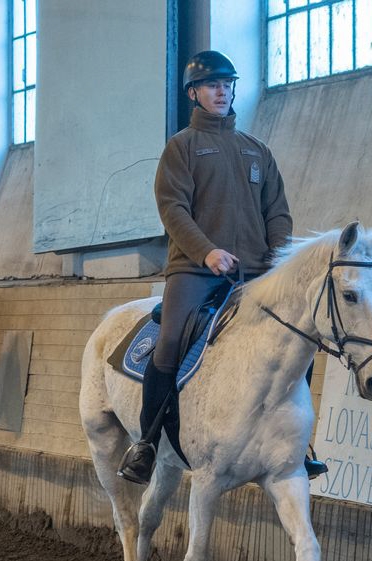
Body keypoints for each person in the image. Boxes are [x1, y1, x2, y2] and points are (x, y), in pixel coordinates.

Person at [117, 50, 328, 484]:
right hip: (195, 271)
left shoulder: (257, 151)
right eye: (213, 85)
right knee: (170, 342)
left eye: (227, 84)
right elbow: (173, 210)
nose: (222, 92)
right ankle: (147, 443)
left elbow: (278, 212)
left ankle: (298, 445)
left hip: (256, 273)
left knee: (299, 337)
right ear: (193, 93)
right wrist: (207, 252)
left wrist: (279, 260)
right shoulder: (181, 148)